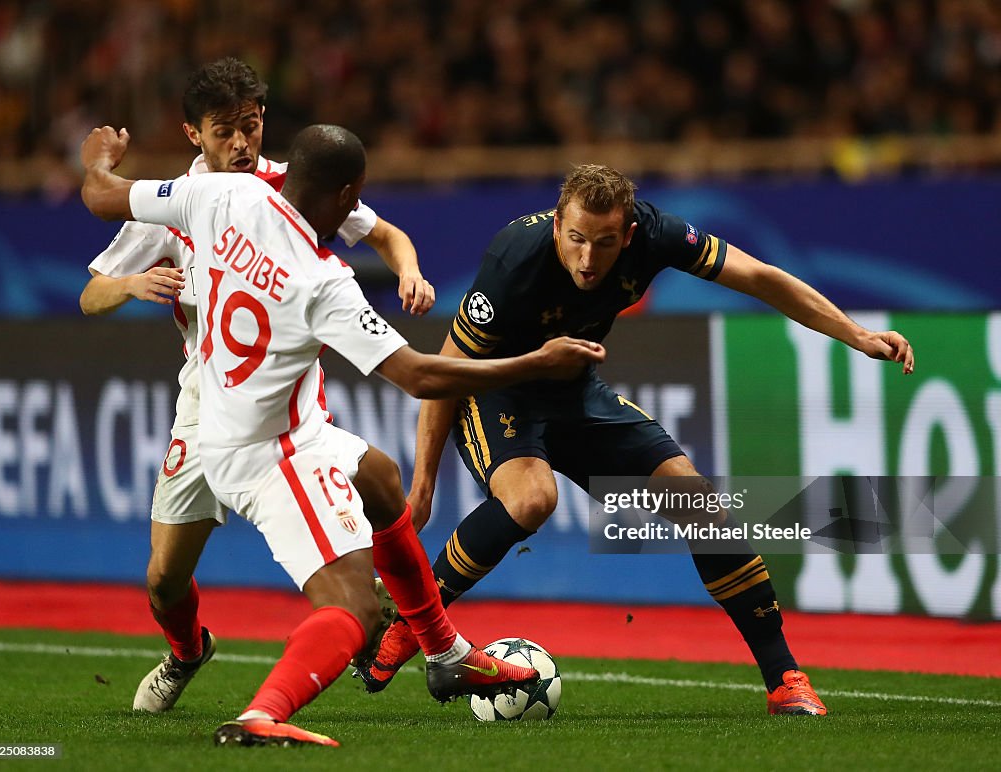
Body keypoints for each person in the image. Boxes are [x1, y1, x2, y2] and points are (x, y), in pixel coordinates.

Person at [80, 122, 606, 747]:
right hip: (270, 453)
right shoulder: (322, 280)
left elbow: (101, 195)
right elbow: (417, 375)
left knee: (381, 478)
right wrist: (536, 362)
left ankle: (445, 653)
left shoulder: (222, 196)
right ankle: (262, 714)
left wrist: (98, 162)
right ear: (348, 195)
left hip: (241, 423)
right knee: (354, 611)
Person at [356, 164, 916, 717]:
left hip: (575, 390)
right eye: (576, 239)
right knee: (531, 498)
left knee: (699, 505)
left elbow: (760, 277)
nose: (588, 258)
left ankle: (784, 679)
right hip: (498, 391)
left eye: (604, 243)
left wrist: (858, 335)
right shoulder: (514, 260)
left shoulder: (658, 235)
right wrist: (424, 483)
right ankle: (413, 621)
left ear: (628, 234)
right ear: (557, 226)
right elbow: (444, 373)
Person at [79, 57, 433, 714]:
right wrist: (129, 285)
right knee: (163, 580)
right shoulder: (172, 201)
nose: (242, 144)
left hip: (284, 400)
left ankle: (376, 619)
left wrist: (409, 271)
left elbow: (383, 232)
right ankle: (188, 650)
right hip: (204, 401)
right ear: (193, 134)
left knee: (361, 491)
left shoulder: (290, 184)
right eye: (224, 132)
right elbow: (89, 294)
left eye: (251, 126)